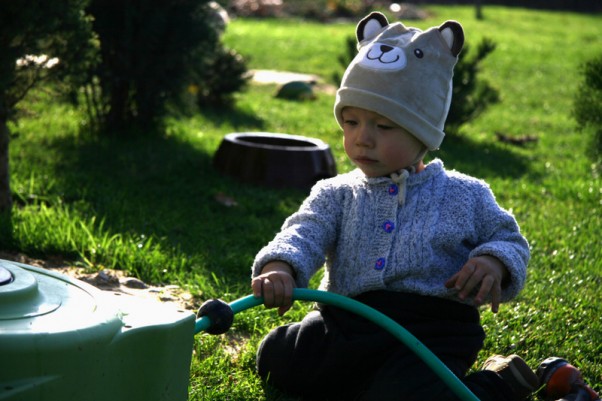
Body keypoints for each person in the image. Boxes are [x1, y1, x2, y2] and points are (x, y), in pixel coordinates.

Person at [249, 12, 560, 401]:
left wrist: (493, 261)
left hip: (431, 333)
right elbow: (303, 232)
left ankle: (497, 384)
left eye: (384, 126)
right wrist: (281, 265)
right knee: (281, 358)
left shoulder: (466, 194)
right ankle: (366, 380)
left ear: (423, 131)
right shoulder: (335, 193)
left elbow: (508, 239)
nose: (362, 139)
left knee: (406, 393)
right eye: (351, 121)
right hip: (349, 321)